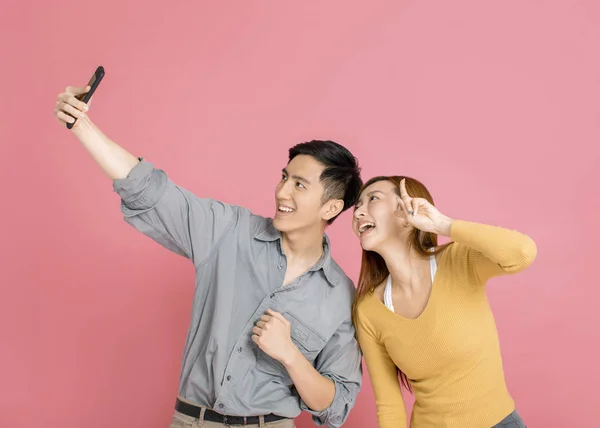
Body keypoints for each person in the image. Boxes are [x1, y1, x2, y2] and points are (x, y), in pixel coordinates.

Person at [53, 85, 363, 428]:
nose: (282, 191)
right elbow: (152, 193)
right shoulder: (229, 231)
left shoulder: (339, 297)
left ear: (331, 207)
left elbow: (336, 407)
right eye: (284, 177)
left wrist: (291, 356)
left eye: (300, 185)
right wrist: (83, 126)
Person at [351, 175, 537, 428]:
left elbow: (522, 253)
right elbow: (389, 406)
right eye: (357, 206)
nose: (359, 211)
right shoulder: (369, 311)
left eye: (373, 199)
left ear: (407, 213)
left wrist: (443, 225)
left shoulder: (458, 261)